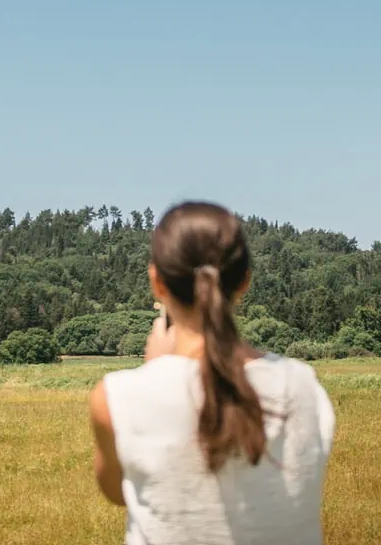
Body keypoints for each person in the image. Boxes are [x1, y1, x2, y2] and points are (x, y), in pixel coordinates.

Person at [87, 201, 336, 544]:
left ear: (157, 282)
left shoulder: (117, 397)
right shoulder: (305, 386)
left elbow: (117, 491)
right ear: (244, 281)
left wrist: (155, 371)